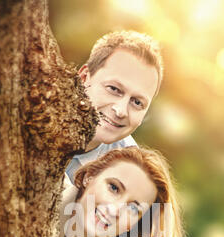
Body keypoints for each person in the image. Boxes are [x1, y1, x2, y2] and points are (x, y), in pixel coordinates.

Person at [65, 30, 163, 184]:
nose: (121, 111)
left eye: (137, 102)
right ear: (84, 78)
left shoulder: (131, 172)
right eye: (114, 89)